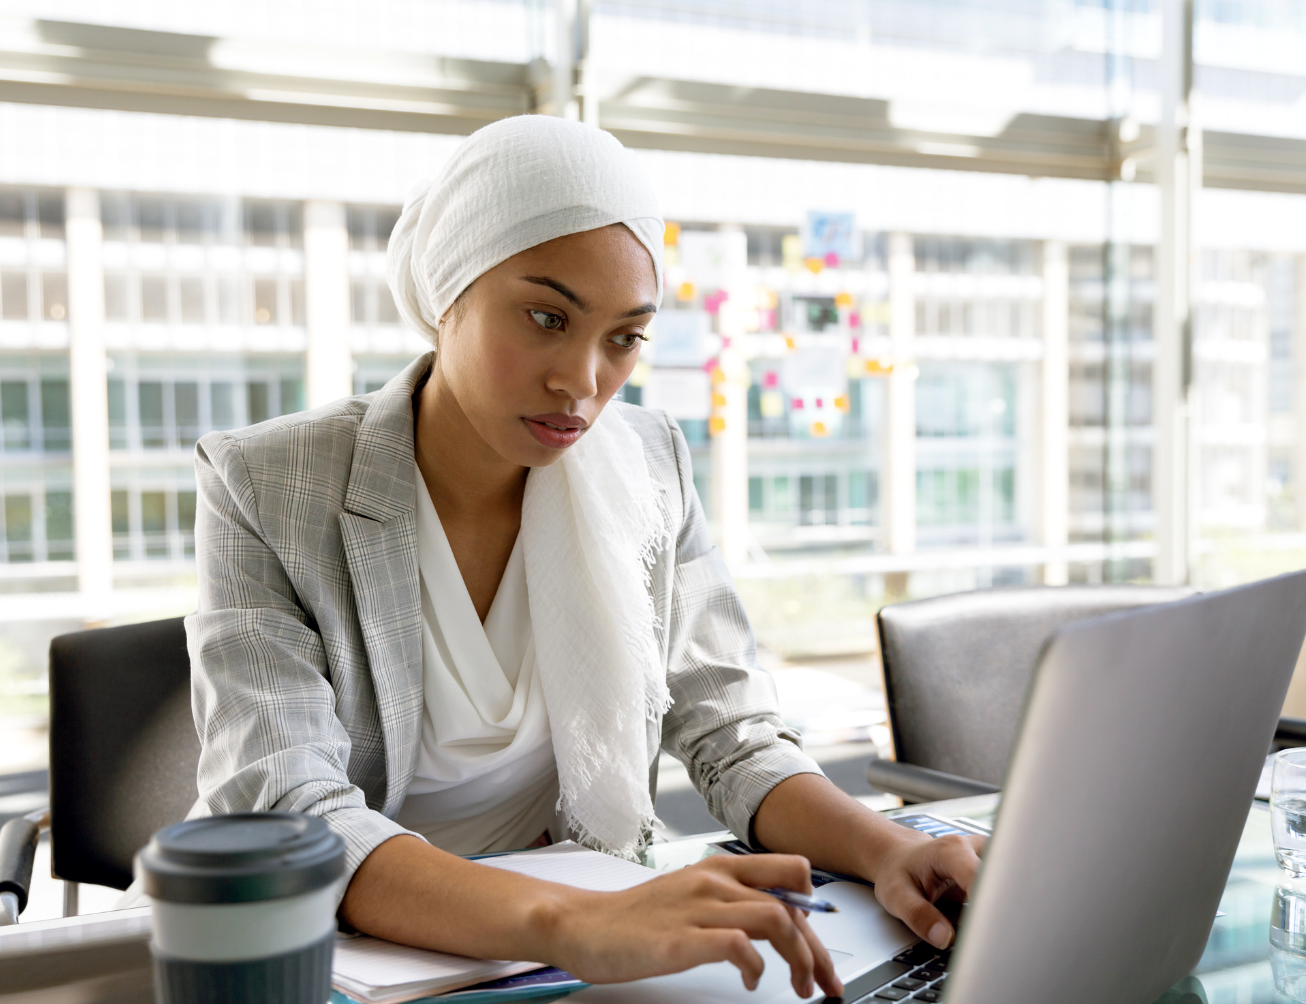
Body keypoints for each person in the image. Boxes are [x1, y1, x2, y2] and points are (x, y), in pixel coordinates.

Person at [187, 114, 982, 998]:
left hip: (568, 956)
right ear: (448, 293)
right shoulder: (266, 482)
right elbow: (295, 817)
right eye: (545, 317)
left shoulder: (647, 464)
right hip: (347, 959)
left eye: (624, 336)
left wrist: (893, 849)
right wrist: (575, 925)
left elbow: (730, 731)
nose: (583, 381)